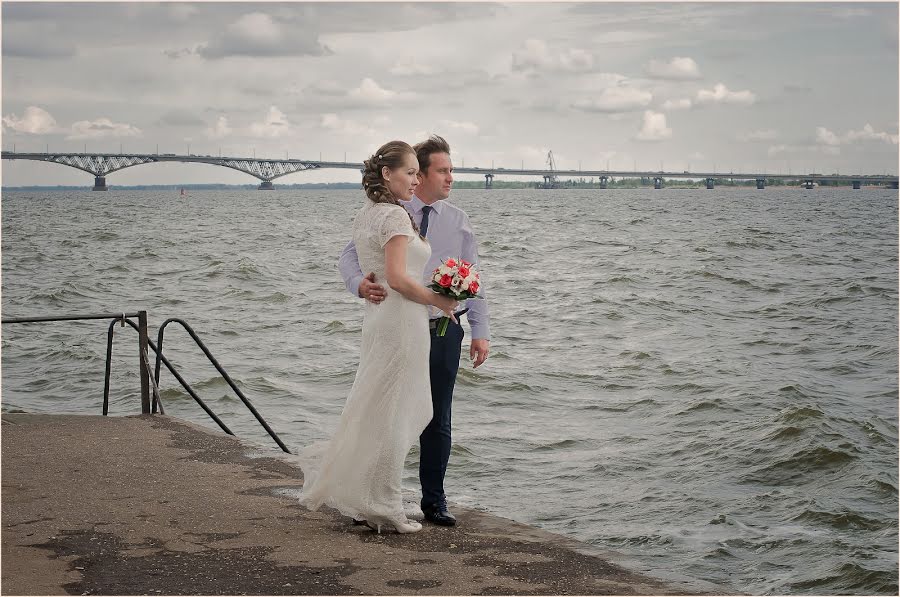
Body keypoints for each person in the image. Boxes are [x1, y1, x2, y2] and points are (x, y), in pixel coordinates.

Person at [298, 140, 459, 534]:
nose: (416, 179)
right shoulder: (396, 217)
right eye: (410, 172)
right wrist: (440, 302)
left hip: (382, 321)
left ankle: (365, 497)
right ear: (388, 174)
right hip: (402, 322)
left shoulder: (368, 214)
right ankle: (384, 505)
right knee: (396, 414)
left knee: (377, 407)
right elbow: (399, 279)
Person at [339, 135, 491, 527]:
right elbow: (350, 254)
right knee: (387, 409)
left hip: (442, 328)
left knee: (437, 416)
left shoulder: (457, 221)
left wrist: (480, 330)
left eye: (451, 170)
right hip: (398, 325)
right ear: (418, 175)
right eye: (443, 170)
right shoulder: (389, 211)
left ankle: (433, 501)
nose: (451, 178)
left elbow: (473, 277)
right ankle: (373, 496)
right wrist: (359, 284)